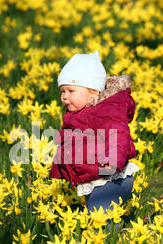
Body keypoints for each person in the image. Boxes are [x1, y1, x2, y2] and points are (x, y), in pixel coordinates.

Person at [49, 51, 140, 216]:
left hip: (109, 177)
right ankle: (111, 238)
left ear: (93, 92)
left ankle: (111, 240)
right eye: (62, 91)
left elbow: (118, 136)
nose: (64, 97)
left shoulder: (105, 111)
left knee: (102, 220)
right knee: (99, 218)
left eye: (70, 91)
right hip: (94, 176)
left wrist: (112, 160)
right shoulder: (78, 112)